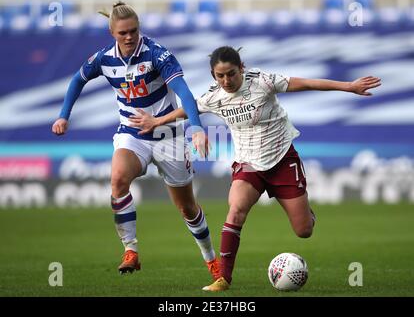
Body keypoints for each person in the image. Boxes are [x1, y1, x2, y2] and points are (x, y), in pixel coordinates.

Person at [128, 46, 382, 291]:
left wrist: (348, 86)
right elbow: (191, 107)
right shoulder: (214, 96)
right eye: (220, 75)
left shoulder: (263, 81)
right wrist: (157, 120)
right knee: (236, 209)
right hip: (248, 164)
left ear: (242, 68)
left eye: (231, 74)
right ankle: (223, 278)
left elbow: (306, 83)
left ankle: (305, 211)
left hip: (282, 159)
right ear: (213, 76)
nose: (226, 80)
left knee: (304, 231)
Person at [51, 1, 220, 280]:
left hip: (168, 135)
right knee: (117, 179)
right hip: (132, 135)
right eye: (123, 33)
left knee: (187, 208)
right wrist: (63, 115)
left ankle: (212, 260)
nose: (129, 37)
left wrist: (198, 128)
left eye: (133, 30)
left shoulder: (157, 55)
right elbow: (77, 80)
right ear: (112, 33)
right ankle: (131, 250)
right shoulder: (104, 58)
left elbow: (185, 93)